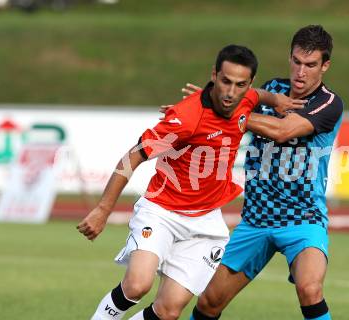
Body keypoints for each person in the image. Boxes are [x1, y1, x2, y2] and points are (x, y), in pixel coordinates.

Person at [77, 44, 302, 320]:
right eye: (226, 81)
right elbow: (132, 157)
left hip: (205, 222)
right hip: (162, 211)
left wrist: (276, 101)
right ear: (214, 75)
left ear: (249, 83)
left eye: (240, 84)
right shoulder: (186, 117)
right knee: (137, 285)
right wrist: (103, 209)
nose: (231, 92)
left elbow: (258, 96)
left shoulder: (247, 98)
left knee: (169, 311)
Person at [183, 25, 343, 320]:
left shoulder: (328, 103)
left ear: (325, 66)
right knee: (209, 302)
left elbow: (283, 131)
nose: (301, 71)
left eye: (310, 65)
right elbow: (232, 109)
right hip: (256, 219)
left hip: (302, 218)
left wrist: (225, 109)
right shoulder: (272, 91)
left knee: (309, 289)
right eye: (296, 61)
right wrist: (209, 106)